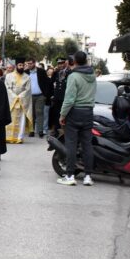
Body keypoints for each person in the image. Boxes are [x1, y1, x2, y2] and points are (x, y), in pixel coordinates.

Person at [57, 51, 97, 186]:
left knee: (71, 145)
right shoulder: (92, 75)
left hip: (74, 112)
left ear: (74, 62)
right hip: (88, 112)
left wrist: (62, 115)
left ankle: (70, 175)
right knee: (87, 145)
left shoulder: (73, 76)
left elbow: (69, 99)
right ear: (85, 61)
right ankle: (88, 176)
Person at [4, 58, 32, 143]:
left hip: (22, 101)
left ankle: (19, 138)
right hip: (11, 101)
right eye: (20, 65)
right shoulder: (9, 76)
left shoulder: (27, 77)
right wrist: (14, 97)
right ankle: (8, 137)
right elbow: (7, 88)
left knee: (21, 120)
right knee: (10, 119)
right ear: (16, 66)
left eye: (23, 65)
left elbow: (28, 90)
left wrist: (19, 97)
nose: (21, 67)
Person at [27, 59, 52, 138]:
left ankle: (40, 131)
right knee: (31, 113)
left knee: (39, 112)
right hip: (29, 96)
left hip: (40, 95)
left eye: (30, 63)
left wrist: (45, 95)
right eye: (28, 64)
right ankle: (31, 130)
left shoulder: (41, 71)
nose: (29, 65)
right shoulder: (26, 72)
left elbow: (47, 83)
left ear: (34, 63)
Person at [48, 57, 70, 136]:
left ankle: (65, 130)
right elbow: (51, 83)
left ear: (65, 63)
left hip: (65, 97)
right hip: (57, 97)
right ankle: (57, 130)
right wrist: (52, 95)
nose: (60, 65)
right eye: (59, 64)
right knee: (56, 114)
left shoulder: (68, 72)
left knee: (65, 114)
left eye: (62, 63)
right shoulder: (56, 72)